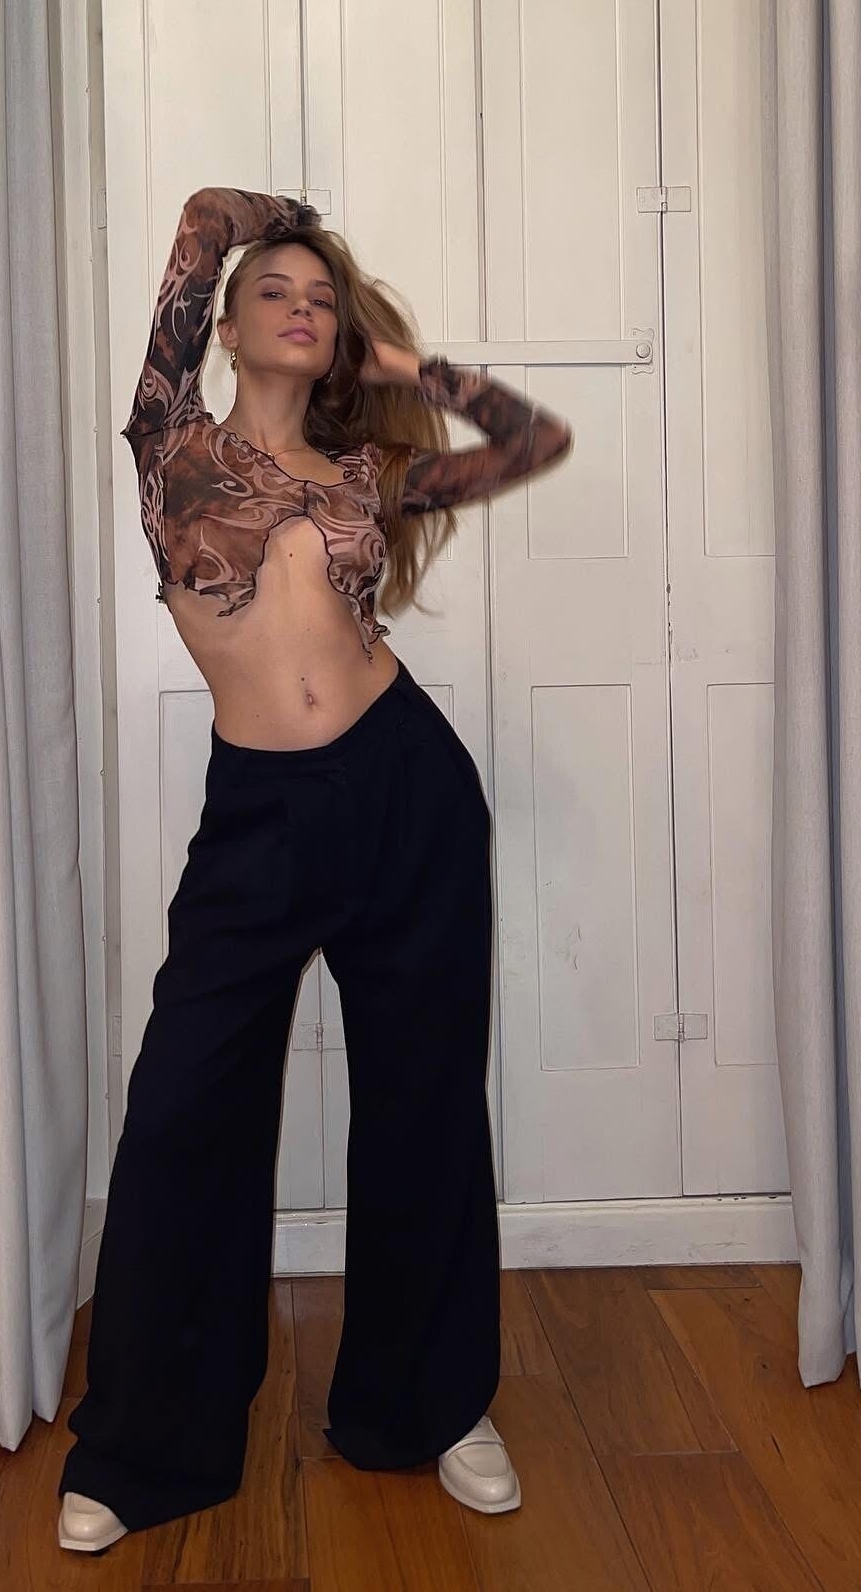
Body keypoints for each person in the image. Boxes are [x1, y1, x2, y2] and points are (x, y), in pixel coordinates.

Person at [58, 188, 574, 1552]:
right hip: (261, 817)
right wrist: (286, 220)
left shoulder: (364, 476)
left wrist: (403, 365)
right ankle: (142, 1446)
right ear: (226, 326)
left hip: (408, 789)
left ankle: (432, 1405)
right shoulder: (170, 441)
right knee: (183, 1111)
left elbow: (533, 439)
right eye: (274, 292)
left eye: (322, 298)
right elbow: (198, 222)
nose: (301, 307)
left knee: (422, 1100)